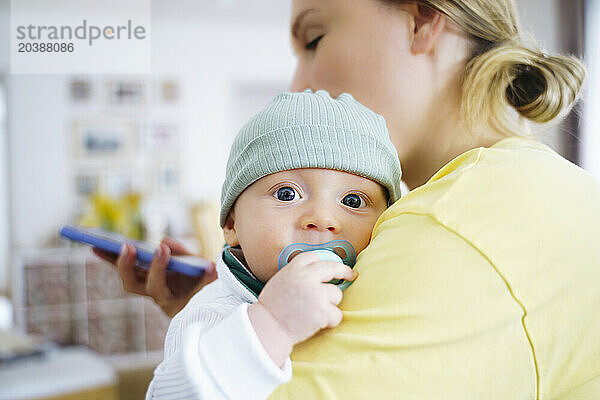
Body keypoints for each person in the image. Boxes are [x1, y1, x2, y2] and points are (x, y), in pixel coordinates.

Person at [95, 0, 600, 398]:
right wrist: (229, 315)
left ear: (422, 17)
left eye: (314, 38)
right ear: (231, 223)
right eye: (288, 193)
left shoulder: (458, 229)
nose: (297, 84)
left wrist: (259, 330)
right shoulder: (534, 192)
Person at [144, 89, 402, 399]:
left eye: (352, 200)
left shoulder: (380, 294)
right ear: (231, 224)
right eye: (287, 194)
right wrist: (271, 324)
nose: (322, 218)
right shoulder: (211, 314)